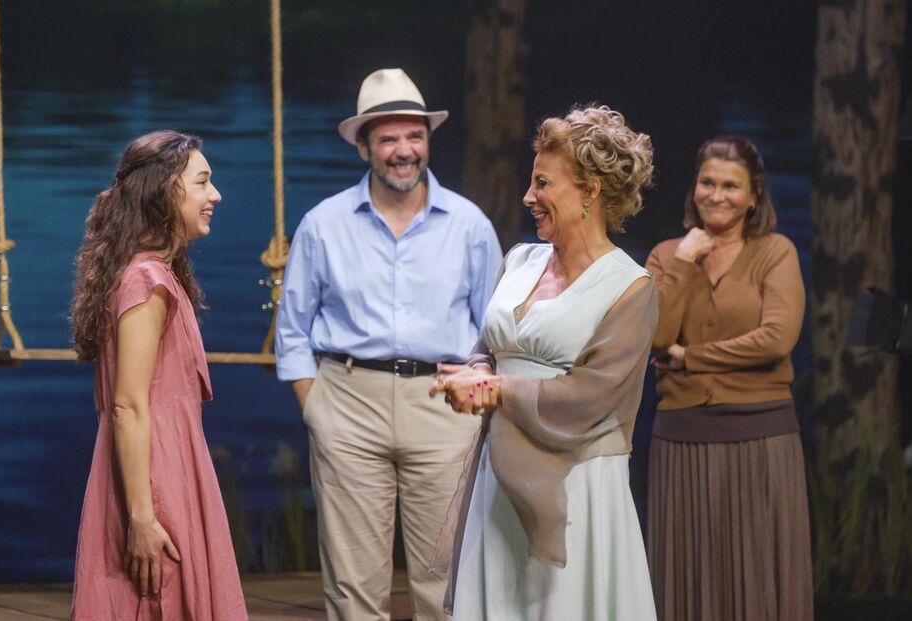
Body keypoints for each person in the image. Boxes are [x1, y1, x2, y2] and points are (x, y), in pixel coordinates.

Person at [274, 68, 502, 620]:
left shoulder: (469, 225)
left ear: (428, 141)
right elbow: (293, 329)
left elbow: (495, 333)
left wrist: (477, 397)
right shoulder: (323, 225)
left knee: (446, 580)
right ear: (364, 147)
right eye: (388, 138)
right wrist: (317, 409)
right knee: (352, 583)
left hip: (444, 406)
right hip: (348, 403)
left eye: (415, 136)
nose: (404, 150)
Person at [429, 104, 658, 620]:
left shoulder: (629, 287)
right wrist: (478, 375)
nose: (528, 197)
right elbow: (488, 350)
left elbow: (590, 397)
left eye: (543, 183)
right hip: (500, 477)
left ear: (590, 192)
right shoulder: (519, 260)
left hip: (576, 485)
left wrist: (496, 391)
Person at [70, 130, 247, 620]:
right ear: (165, 190)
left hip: (170, 470)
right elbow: (127, 405)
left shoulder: (157, 275)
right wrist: (142, 517)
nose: (216, 195)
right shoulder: (146, 281)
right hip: (154, 481)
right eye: (202, 182)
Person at [644, 135, 812, 620]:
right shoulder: (666, 255)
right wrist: (683, 262)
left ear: (754, 195)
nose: (716, 195)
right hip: (682, 438)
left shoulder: (775, 252)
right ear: (694, 187)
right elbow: (655, 336)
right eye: (707, 183)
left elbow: (776, 339)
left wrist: (690, 357)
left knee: (758, 578)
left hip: (760, 436)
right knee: (686, 578)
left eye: (731, 186)